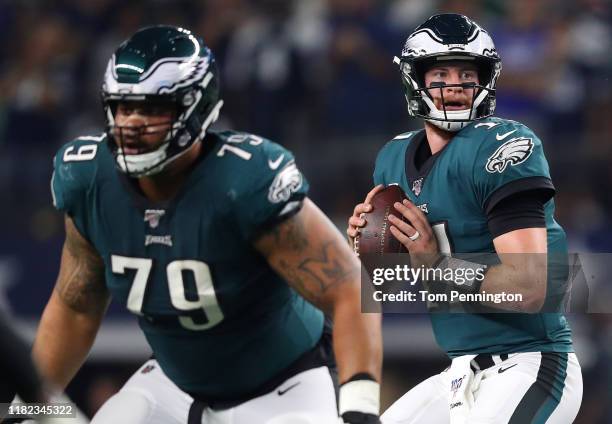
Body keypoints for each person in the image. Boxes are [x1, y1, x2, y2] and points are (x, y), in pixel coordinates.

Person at [35, 25, 382, 424]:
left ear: (194, 107)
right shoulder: (90, 180)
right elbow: (75, 305)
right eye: (123, 107)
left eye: (152, 108)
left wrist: (360, 407)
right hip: (173, 383)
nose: (131, 123)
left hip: (282, 387)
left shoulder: (242, 181)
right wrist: (26, 407)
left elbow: (350, 287)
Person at [346, 14, 582, 423]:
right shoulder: (392, 159)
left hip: (529, 365)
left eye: (466, 72)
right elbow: (399, 282)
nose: (454, 84)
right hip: (458, 373)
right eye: (440, 73)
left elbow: (529, 287)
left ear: (485, 80)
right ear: (414, 79)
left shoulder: (504, 145)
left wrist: (436, 265)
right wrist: (371, 250)